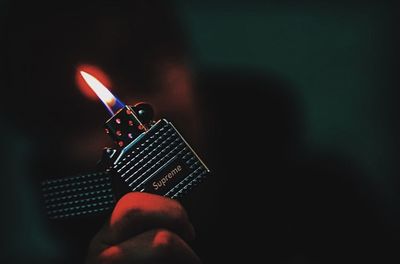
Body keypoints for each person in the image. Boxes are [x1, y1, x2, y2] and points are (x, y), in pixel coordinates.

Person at [2, 0, 396, 263]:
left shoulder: (327, 200)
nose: (147, 119)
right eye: (77, 116)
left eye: (147, 68)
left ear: (183, 60)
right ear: (48, 136)